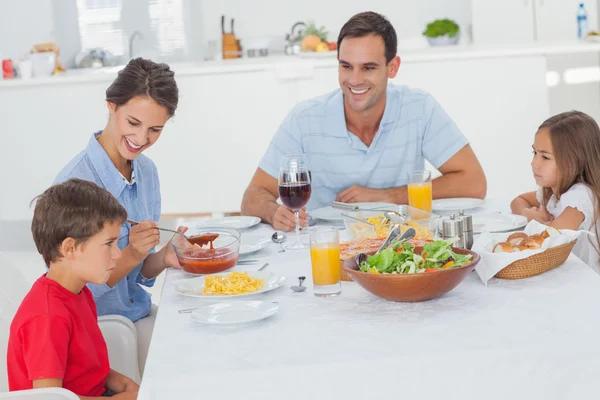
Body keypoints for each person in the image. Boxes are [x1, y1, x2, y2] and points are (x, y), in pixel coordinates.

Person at [241, 11, 486, 232]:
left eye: (368, 68)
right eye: (346, 66)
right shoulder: (305, 119)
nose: (355, 80)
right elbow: (253, 195)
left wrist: (387, 196)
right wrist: (273, 212)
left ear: (393, 67)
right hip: (327, 248)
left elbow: (474, 182)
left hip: (401, 244)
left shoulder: (419, 108)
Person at [54, 58, 185, 375]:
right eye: (133, 123)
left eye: (155, 129)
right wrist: (131, 253)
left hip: (135, 312)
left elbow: (138, 276)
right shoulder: (74, 185)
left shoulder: (146, 172)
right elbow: (75, 290)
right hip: (98, 327)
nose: (142, 139)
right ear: (112, 106)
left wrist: (165, 256)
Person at [7, 179, 138, 399]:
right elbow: (49, 398)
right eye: (109, 244)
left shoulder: (79, 290)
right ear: (70, 248)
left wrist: (123, 383)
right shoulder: (48, 317)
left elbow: (87, 369)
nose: (117, 253)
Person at [510, 111, 600, 272]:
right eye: (535, 153)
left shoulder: (580, 196)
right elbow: (517, 201)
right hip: (560, 272)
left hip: (583, 282)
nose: (534, 163)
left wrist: (535, 221)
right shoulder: (551, 191)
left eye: (545, 157)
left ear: (574, 161)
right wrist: (529, 214)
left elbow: (552, 238)